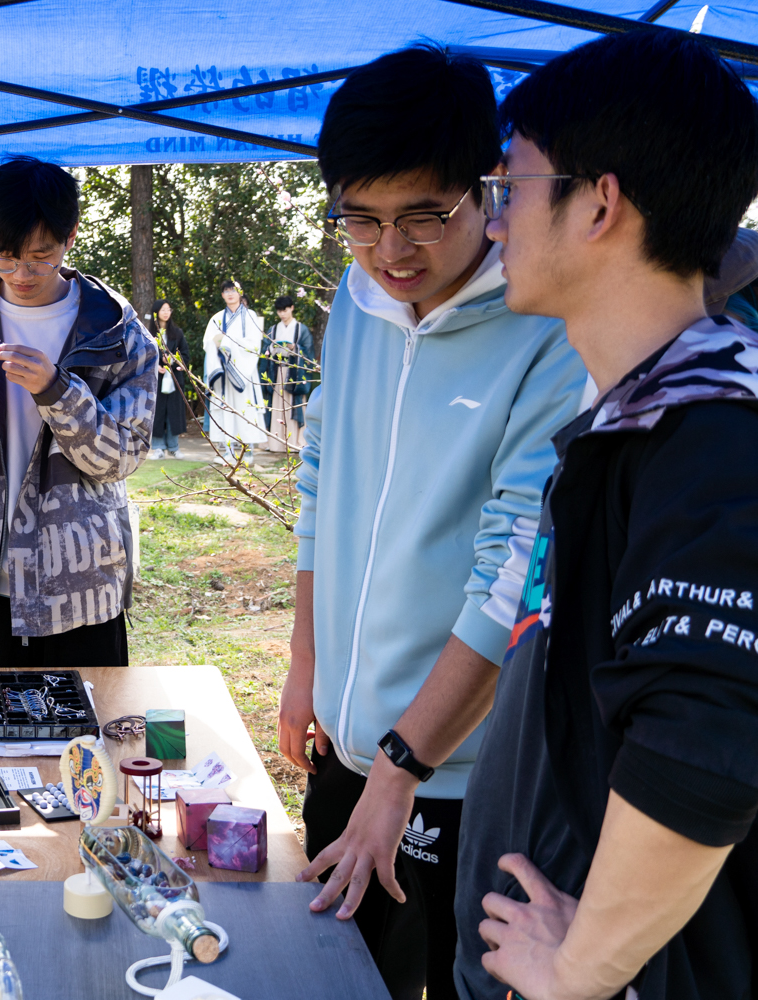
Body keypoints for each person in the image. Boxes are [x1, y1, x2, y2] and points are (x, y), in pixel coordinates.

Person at [277, 45, 589, 1000]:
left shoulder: (549, 328)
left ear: (485, 186)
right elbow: (323, 481)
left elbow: (515, 569)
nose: (391, 251)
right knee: (332, 976)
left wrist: (404, 768)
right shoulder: (356, 295)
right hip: (349, 743)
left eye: (423, 216)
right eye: (360, 220)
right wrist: (306, 670)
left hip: (457, 776)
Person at [454, 31, 758, 1000]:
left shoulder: (713, 436)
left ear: (601, 203)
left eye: (510, 190)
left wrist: (582, 967)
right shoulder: (640, 414)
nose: (493, 223)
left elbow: (706, 747)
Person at [0, 154, 156, 667]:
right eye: (4, 254)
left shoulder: (116, 333)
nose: (22, 272)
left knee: (86, 740)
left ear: (71, 237)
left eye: (41, 255)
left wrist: (59, 390)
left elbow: (123, 456)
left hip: (80, 587)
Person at [201, 280, 266, 457]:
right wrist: (218, 343)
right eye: (226, 291)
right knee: (226, 410)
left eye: (233, 290)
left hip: (244, 371)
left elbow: (254, 344)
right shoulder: (216, 318)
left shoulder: (251, 315)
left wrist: (227, 342)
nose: (230, 293)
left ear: (240, 293)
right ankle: (228, 451)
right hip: (223, 372)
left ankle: (248, 451)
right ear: (222, 295)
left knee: (246, 409)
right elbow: (208, 342)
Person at [260, 295, 314, 453]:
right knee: (277, 405)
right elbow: (265, 351)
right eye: (279, 311)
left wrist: (294, 348)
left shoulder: (300, 328)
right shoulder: (273, 329)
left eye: (285, 310)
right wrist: (271, 347)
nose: (282, 314)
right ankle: (276, 443)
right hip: (277, 371)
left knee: (294, 405)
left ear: (292, 308)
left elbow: (309, 351)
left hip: (295, 373)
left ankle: (297, 441)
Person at [149, 299, 190, 459]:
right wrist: (155, 366)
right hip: (155, 380)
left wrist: (173, 360)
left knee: (173, 413)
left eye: (169, 309)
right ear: (156, 312)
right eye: (163, 309)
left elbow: (186, 354)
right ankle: (158, 447)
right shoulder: (149, 334)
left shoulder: (177, 333)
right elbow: (143, 356)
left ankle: (174, 447)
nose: (166, 312)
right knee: (157, 413)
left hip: (174, 379)